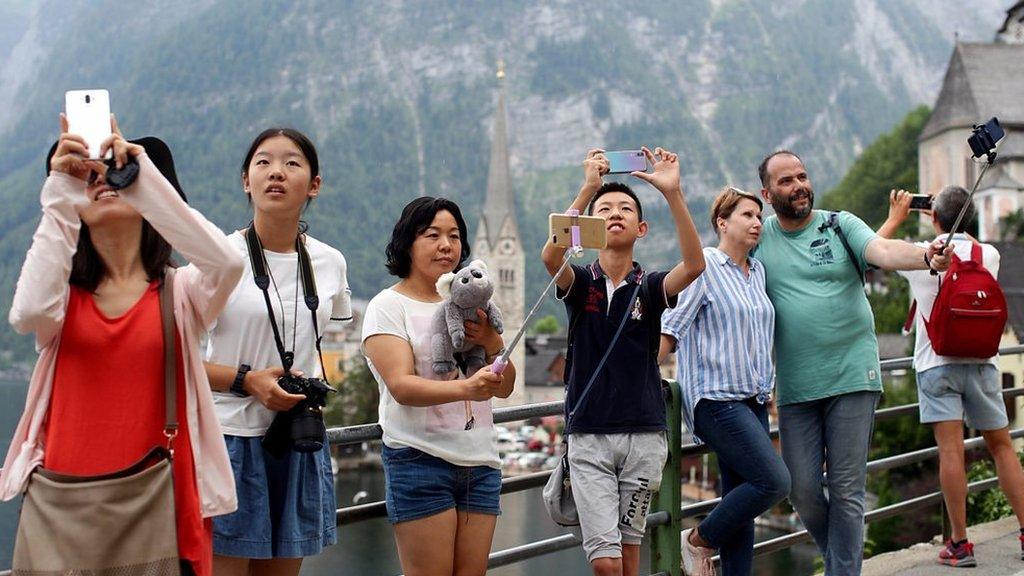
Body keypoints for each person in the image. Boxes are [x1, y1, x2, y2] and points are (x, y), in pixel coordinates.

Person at [0, 115, 243, 575]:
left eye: (115, 171)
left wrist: (144, 179)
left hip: (160, 506)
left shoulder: (182, 293)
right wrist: (60, 192)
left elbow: (227, 262)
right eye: (90, 176)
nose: (105, 179)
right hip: (65, 506)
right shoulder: (60, 300)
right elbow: (26, 313)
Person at [754, 150, 952, 575]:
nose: (798, 186)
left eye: (802, 176)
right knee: (802, 490)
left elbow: (881, 249)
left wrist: (925, 256)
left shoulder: (838, 223)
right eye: (786, 181)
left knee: (846, 489)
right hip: (796, 385)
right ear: (767, 194)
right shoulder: (761, 236)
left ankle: (843, 571)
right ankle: (843, 563)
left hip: (852, 376)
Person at [541, 147, 705, 576]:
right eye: (606, 209)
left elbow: (694, 264)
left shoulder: (649, 287)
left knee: (630, 556)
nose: (616, 213)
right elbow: (551, 257)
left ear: (642, 227)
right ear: (592, 226)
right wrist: (587, 190)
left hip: (645, 435)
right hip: (590, 435)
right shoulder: (581, 284)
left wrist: (673, 192)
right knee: (607, 563)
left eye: (626, 208)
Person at [203, 128, 352, 575]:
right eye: (263, 162)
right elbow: (174, 357)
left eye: (292, 163)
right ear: (246, 180)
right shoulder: (219, 258)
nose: (276, 173)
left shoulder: (330, 263)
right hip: (230, 438)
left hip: (297, 438)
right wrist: (247, 380)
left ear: (314, 184)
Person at [362, 196, 516, 576]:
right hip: (419, 461)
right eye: (432, 235)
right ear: (407, 243)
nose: (446, 245)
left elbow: (507, 387)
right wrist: (467, 389)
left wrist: (493, 343)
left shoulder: (474, 306)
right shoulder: (387, 306)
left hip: (480, 463)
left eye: (454, 235)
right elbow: (402, 386)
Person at [880, 187, 1024, 567]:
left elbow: (876, 250)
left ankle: (960, 544)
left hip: (936, 363)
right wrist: (955, 222)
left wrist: (898, 217)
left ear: (934, 216)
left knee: (951, 451)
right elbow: (970, 244)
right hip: (982, 362)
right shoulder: (987, 254)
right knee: (1002, 447)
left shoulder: (924, 254)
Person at [659, 186, 790, 576]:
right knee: (773, 481)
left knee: (740, 502)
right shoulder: (704, 267)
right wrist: (639, 371)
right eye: (747, 215)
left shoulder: (758, 272)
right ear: (722, 222)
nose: (757, 222)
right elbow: (671, 331)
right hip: (714, 402)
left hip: (752, 401)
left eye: (758, 216)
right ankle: (697, 539)